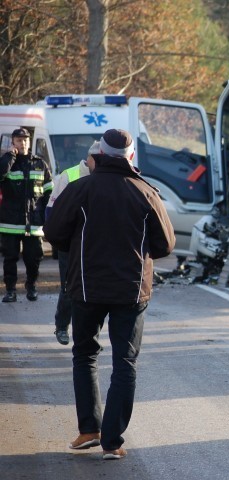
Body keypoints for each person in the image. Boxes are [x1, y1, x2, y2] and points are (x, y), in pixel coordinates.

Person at [44, 129, 175, 460]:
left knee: (85, 354)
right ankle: (112, 442)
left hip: (86, 289)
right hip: (131, 292)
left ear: (99, 153)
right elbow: (165, 245)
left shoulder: (80, 188)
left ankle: (89, 429)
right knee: (124, 362)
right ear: (131, 157)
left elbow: (54, 233)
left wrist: (77, 249)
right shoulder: (146, 193)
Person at [46, 141, 100, 345]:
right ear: (91, 159)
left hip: (92, 244)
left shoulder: (102, 178)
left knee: (91, 291)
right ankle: (61, 327)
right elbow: (51, 212)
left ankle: (86, 336)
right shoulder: (69, 175)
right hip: (70, 244)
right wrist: (60, 242)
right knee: (69, 288)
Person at [0, 128, 53, 303]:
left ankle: (31, 287)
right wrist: (10, 156)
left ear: (29, 142)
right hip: (11, 223)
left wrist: (43, 215)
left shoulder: (40, 164)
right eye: (18, 140)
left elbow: (49, 192)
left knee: (33, 259)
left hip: (34, 222)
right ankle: (10, 290)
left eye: (25, 140)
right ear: (13, 142)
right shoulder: (8, 162)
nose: (22, 143)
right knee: (10, 259)